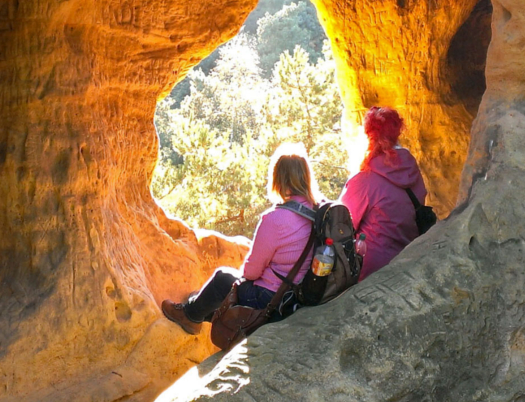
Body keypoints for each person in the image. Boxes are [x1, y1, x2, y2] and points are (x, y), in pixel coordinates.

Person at [161, 143, 318, 334]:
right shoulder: (316, 212)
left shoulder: (276, 219)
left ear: (278, 179)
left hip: (269, 298)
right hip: (295, 298)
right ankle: (198, 305)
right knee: (221, 291)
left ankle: (190, 316)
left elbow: (251, 272)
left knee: (223, 279)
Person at [339, 106, 427, 281]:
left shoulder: (364, 180)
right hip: (408, 261)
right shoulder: (411, 170)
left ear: (368, 136)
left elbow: (342, 225)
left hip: (370, 272)